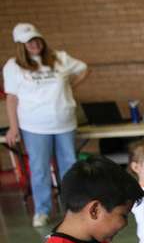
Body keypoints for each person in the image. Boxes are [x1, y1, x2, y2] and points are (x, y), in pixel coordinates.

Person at [4, 23, 89, 228]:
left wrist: (69, 86)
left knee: (69, 166)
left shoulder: (59, 58)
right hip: (34, 126)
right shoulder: (13, 66)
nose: (34, 44)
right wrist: (13, 127)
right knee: (39, 168)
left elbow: (85, 69)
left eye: (36, 39)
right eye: (28, 42)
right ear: (20, 46)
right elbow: (12, 99)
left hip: (64, 123)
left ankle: (74, 207)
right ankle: (42, 210)